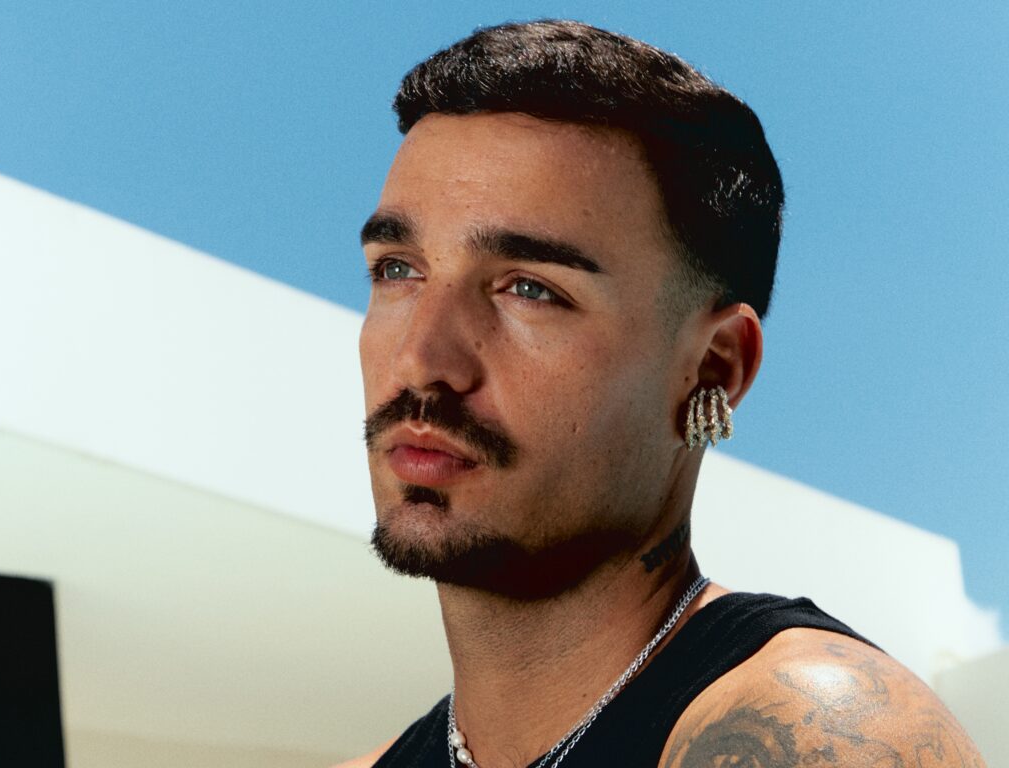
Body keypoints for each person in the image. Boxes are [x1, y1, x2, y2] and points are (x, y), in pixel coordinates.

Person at [338, 20, 985, 768]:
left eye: (530, 288)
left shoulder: (814, 732)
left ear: (714, 367)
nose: (421, 360)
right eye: (397, 270)